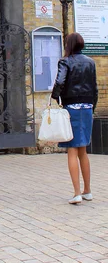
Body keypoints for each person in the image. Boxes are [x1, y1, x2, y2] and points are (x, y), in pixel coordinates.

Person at [51, 32, 98, 205]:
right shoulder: (90, 62)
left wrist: (56, 97)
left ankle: (77, 193)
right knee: (83, 150)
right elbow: (94, 87)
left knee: (72, 149)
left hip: (72, 108)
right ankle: (88, 190)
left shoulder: (65, 61)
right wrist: (92, 106)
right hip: (87, 107)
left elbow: (60, 82)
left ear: (68, 45)